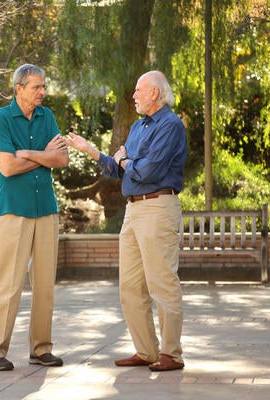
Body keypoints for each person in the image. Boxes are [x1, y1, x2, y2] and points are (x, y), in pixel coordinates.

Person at [65, 70, 187, 371]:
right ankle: (146, 351)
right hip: (133, 210)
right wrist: (93, 152)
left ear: (154, 93)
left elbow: (149, 172)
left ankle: (171, 353)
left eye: (138, 91)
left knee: (162, 282)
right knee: (130, 285)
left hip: (158, 206)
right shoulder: (137, 127)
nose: (133, 96)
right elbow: (121, 170)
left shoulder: (170, 126)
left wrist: (126, 161)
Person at [0, 63, 69, 371]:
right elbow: (7, 167)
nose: (43, 92)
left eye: (44, 86)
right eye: (37, 87)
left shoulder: (48, 117)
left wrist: (28, 154)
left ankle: (41, 349)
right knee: (7, 283)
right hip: (13, 210)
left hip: (46, 208)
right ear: (18, 88)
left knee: (45, 283)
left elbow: (62, 157)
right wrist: (42, 156)